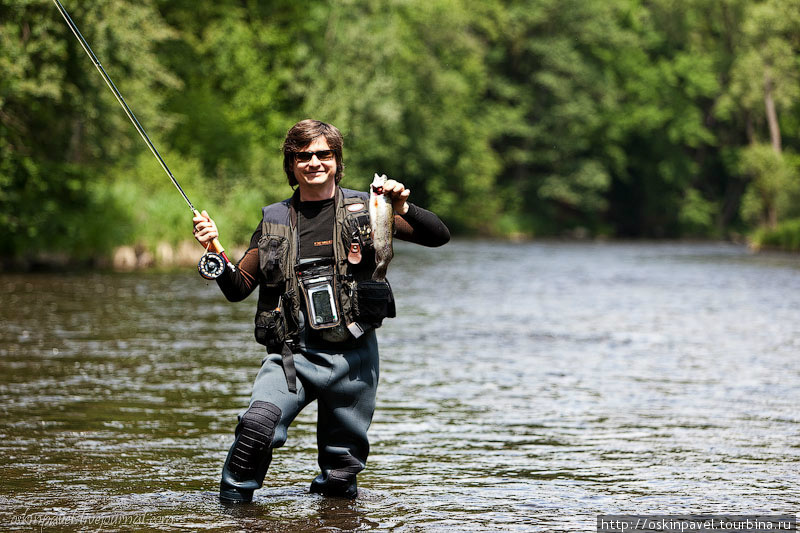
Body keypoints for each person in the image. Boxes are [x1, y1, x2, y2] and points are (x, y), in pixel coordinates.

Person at [192, 119, 450, 503]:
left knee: (340, 476)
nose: (314, 162)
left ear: (336, 160)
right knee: (257, 427)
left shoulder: (371, 209)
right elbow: (238, 288)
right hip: (293, 356)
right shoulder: (274, 220)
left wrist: (404, 206)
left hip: (355, 358)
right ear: (291, 165)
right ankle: (232, 514)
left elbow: (438, 236)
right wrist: (214, 249)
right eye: (303, 155)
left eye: (323, 154)